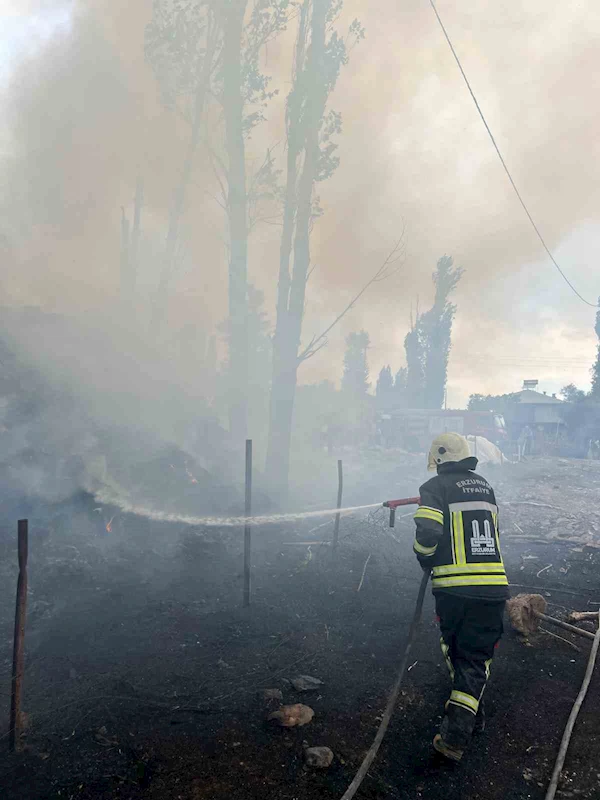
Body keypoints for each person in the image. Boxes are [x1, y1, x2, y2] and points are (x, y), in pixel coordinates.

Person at [413, 432, 508, 762]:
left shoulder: (435, 486)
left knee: (458, 653)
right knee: (476, 657)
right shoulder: (485, 487)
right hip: (493, 589)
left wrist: (424, 557)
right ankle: (468, 715)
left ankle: (455, 738)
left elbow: (428, 530)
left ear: (438, 458)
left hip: (455, 589)